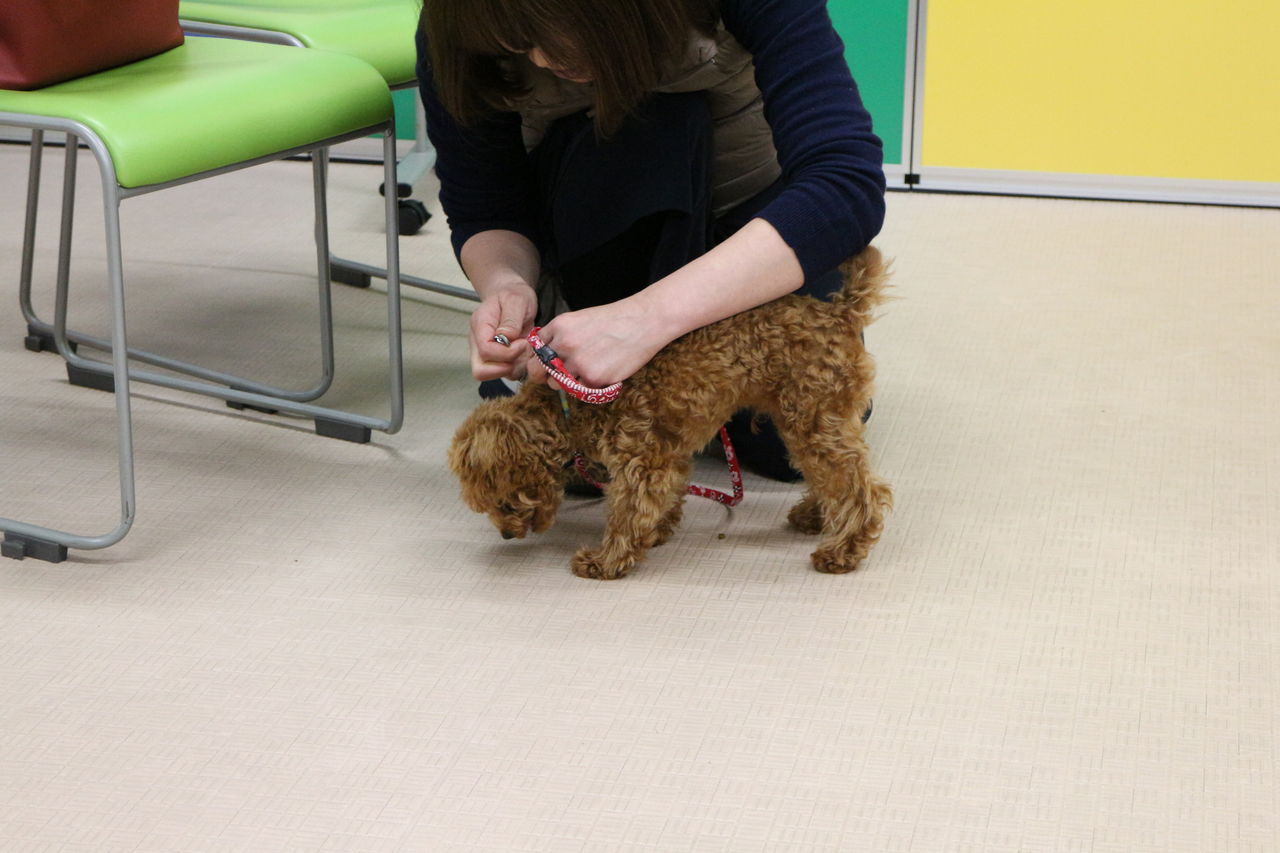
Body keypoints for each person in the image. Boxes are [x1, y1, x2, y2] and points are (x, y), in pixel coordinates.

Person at [416, 0, 885, 480]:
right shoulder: (457, 21)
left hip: (752, 224)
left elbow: (844, 187)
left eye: (548, 32)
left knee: (792, 442)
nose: (539, 59)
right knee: (585, 454)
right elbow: (486, 208)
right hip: (603, 219)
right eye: (517, 44)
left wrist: (645, 319)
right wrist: (507, 284)